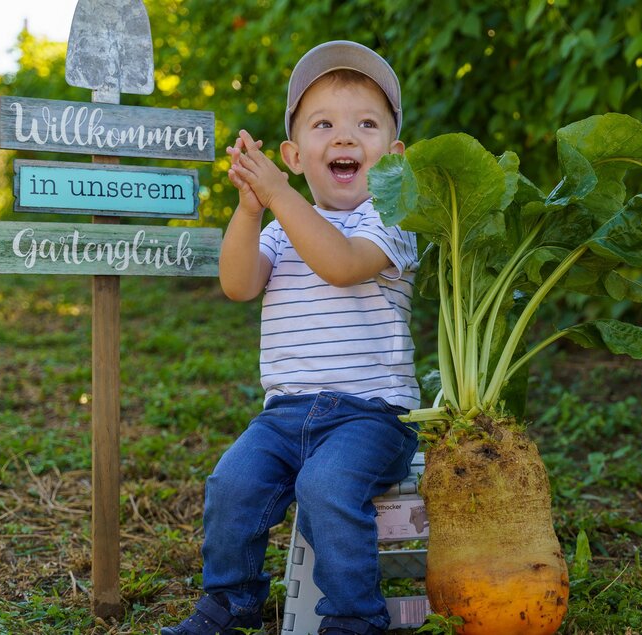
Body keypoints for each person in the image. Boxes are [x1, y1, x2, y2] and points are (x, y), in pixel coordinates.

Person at [162, 40, 420, 635]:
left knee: (326, 486)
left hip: (371, 417)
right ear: (294, 155)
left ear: (394, 154)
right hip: (283, 414)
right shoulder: (279, 230)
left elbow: (341, 263)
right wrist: (251, 209)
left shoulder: (393, 218)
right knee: (231, 483)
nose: (345, 137)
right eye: (323, 124)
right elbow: (238, 283)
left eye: (367, 124)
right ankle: (230, 601)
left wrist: (279, 195)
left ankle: (355, 618)